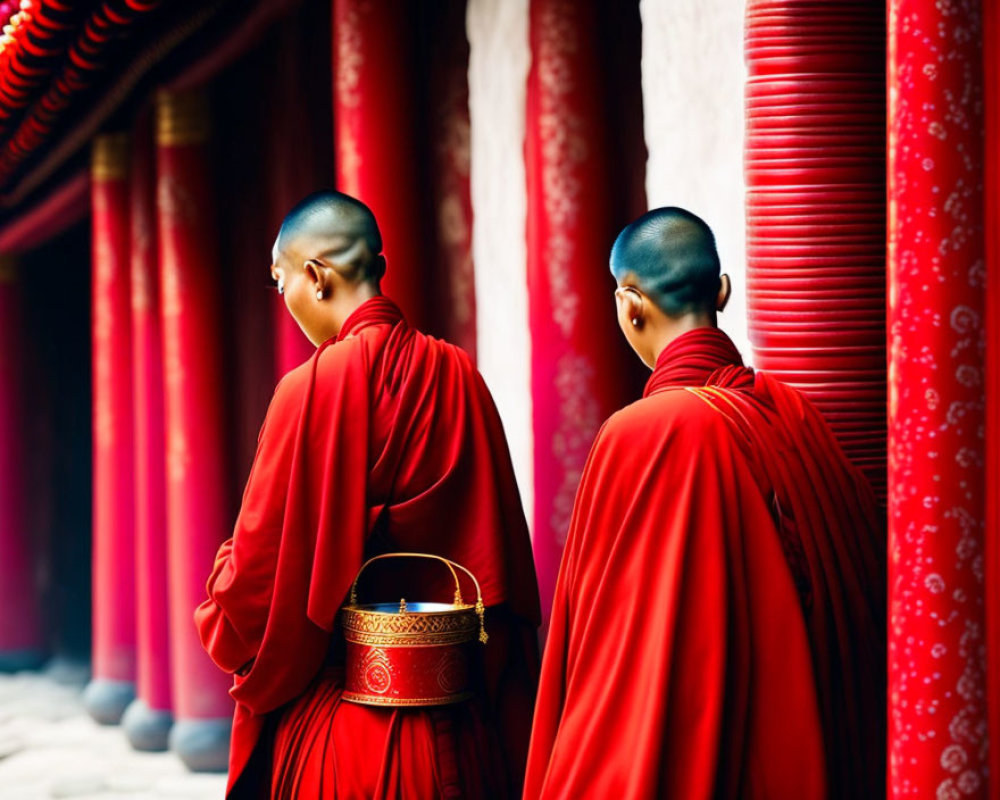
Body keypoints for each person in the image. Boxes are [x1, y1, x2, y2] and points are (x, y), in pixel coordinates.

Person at [523, 207, 885, 798]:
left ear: (629, 305)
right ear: (721, 291)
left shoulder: (643, 433)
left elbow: (611, 672)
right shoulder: (798, 418)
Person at [195, 191, 540, 799]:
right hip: (462, 731)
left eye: (282, 286)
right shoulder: (460, 374)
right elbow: (502, 567)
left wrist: (221, 582)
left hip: (341, 738)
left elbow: (251, 590)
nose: (288, 304)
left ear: (316, 277)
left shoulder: (308, 391)